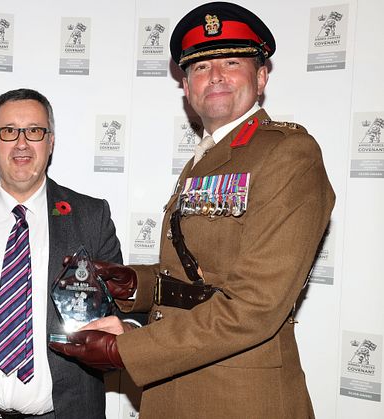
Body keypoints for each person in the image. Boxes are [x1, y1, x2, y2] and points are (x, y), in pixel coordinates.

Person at [50, 2, 335, 418]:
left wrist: (123, 349)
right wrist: (136, 284)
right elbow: (202, 276)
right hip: (173, 389)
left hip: (240, 396)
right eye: (200, 67)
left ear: (261, 77)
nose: (215, 75)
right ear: (186, 86)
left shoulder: (289, 154)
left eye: (231, 62)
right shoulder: (206, 158)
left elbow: (255, 306)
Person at [0, 88, 123, 418]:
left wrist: (123, 334)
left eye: (34, 131)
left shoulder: (91, 217)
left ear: (51, 142)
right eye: (9, 131)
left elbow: (121, 312)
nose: (22, 143)